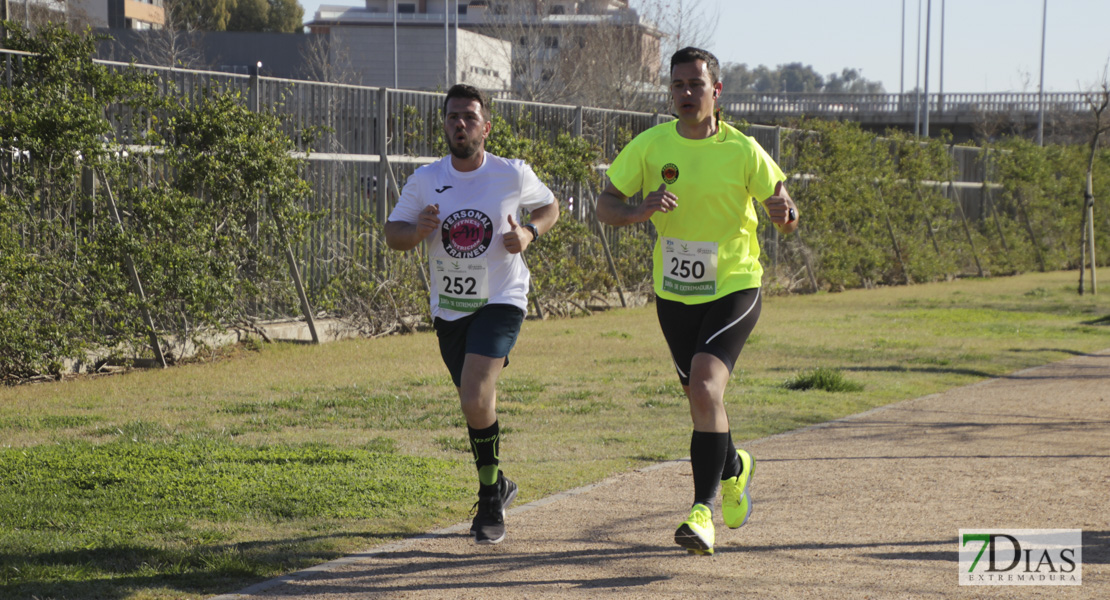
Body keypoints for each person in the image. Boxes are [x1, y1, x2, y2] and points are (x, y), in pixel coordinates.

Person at [596, 47, 798, 555]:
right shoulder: (649, 145)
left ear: (716, 92)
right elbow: (605, 205)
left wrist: (784, 212)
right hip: (675, 292)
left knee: (707, 386)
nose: (686, 94)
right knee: (701, 399)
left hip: (734, 284)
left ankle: (701, 511)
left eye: (696, 85)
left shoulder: (743, 149)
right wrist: (637, 211)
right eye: (678, 86)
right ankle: (734, 467)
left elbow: (786, 210)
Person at [384, 84, 559, 545]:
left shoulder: (511, 174)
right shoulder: (426, 178)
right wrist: (418, 229)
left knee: (475, 394)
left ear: (485, 126)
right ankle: (499, 483)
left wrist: (530, 234)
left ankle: (487, 499)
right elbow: (393, 233)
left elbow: (550, 206)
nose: (459, 124)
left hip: (502, 299)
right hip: (451, 308)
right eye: (451, 117)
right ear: (444, 125)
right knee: (475, 402)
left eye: (468, 117)